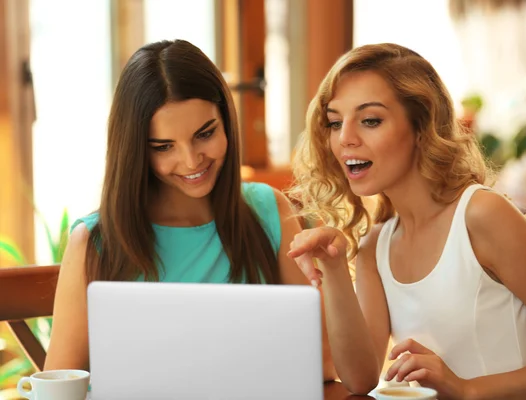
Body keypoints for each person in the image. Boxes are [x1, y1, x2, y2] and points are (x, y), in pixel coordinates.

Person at [287, 43, 526, 399]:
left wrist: (467, 389)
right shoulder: (376, 245)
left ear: (421, 126)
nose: (345, 139)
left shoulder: (482, 216)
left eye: (370, 120)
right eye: (334, 122)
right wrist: (335, 269)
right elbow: (361, 380)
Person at [44, 39, 336, 380]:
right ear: (136, 150)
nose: (191, 160)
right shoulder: (95, 241)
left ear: (226, 120)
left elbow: (320, 363)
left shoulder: (269, 210)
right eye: (164, 146)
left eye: (205, 133)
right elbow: (59, 388)